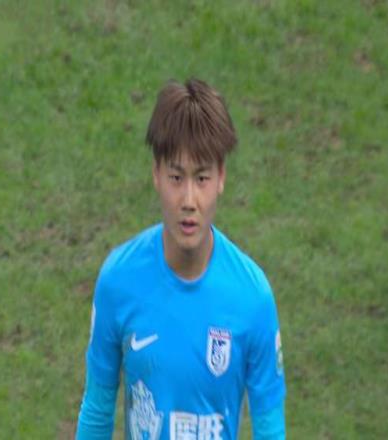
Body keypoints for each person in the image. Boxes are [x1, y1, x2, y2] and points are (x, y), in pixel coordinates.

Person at [76, 78, 286, 439]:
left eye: (201, 178)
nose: (189, 200)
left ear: (221, 177)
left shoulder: (253, 298)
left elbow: (270, 429)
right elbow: (97, 410)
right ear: (156, 174)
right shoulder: (118, 281)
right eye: (176, 177)